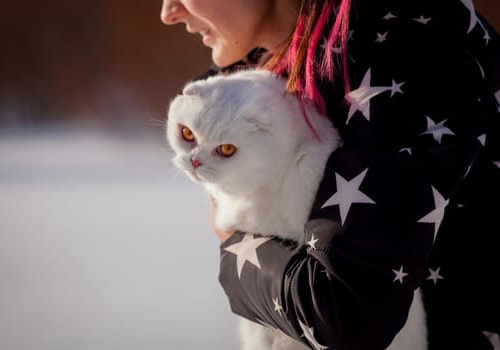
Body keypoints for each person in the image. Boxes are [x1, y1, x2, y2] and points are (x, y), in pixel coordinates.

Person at [160, 0, 500, 348]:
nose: (168, 12)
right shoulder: (247, 75)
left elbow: (343, 313)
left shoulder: (408, 40)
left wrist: (234, 243)